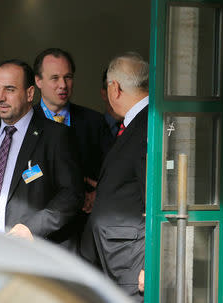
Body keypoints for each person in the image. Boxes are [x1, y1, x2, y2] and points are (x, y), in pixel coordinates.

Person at [0, 59, 83, 241]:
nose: (0, 97)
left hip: (23, 250)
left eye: (9, 89)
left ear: (29, 93)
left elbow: (71, 195)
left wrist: (32, 228)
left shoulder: (56, 136)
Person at [81, 52, 149, 301]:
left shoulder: (147, 124)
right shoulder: (137, 122)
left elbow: (155, 198)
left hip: (131, 262)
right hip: (117, 257)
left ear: (115, 88)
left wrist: (152, 264)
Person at [33, 48, 112, 251]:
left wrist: (98, 194)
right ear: (38, 81)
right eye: (55, 78)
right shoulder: (25, 123)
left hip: (84, 234)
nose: (63, 85)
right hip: (38, 232)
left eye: (68, 77)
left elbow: (113, 170)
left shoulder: (94, 122)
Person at [101, 68, 123, 138]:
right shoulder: (93, 126)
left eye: (122, 89)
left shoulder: (141, 127)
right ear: (104, 94)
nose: (119, 94)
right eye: (114, 90)